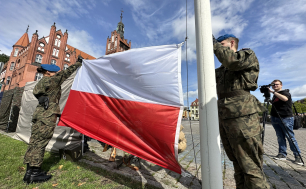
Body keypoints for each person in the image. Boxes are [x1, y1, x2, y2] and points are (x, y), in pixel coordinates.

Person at [213, 34, 270, 189]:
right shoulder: (219, 71)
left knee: (250, 166)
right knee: (237, 164)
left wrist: (210, 41)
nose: (217, 47)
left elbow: (232, 61)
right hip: (225, 117)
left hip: (242, 116)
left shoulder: (247, 55)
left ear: (232, 43)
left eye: (221, 44)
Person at [23, 57, 83, 184]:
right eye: (54, 72)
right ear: (48, 72)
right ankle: (35, 174)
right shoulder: (52, 81)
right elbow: (65, 73)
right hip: (47, 116)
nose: (56, 74)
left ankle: (29, 172)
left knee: (34, 142)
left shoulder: (41, 81)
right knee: (40, 144)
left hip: (39, 115)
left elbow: (36, 91)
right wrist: (78, 62)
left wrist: (41, 96)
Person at [268, 79, 303, 165]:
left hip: (285, 118)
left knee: (290, 137)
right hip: (275, 117)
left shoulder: (285, 92)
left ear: (281, 85)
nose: (275, 85)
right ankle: (282, 154)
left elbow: (285, 99)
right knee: (280, 136)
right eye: (273, 84)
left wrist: (272, 92)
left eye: (276, 84)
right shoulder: (275, 95)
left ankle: (297, 156)